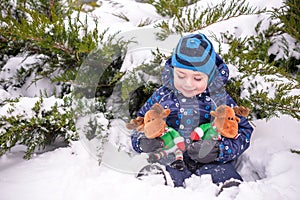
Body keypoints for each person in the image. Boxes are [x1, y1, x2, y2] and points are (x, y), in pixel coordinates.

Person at [130, 33, 253, 188]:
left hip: (212, 160)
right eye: (181, 76)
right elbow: (140, 122)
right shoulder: (163, 96)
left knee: (223, 175)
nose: (188, 84)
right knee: (160, 176)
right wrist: (142, 142)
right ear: (173, 71)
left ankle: (229, 189)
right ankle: (157, 183)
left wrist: (220, 150)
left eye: (197, 78)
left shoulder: (220, 99)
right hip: (172, 156)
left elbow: (243, 131)